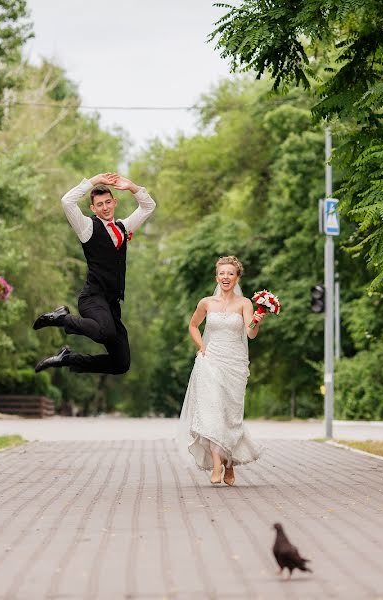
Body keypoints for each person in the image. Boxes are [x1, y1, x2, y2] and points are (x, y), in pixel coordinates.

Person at [33, 173, 155, 374]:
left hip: (112, 304)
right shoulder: (87, 228)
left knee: (121, 363)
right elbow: (67, 201)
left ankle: (68, 359)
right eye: (100, 204)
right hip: (92, 298)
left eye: (108, 202)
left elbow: (148, 206)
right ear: (93, 208)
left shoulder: (123, 227)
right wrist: (95, 180)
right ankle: (60, 318)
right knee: (103, 332)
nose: (105, 207)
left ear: (114, 202)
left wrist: (132, 186)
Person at [176, 256, 264, 485]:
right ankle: (216, 463)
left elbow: (250, 333)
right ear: (217, 277)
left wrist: (258, 319)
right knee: (212, 411)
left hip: (235, 364)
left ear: (237, 278)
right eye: (222, 273)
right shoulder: (206, 303)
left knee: (229, 415)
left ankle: (229, 463)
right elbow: (193, 325)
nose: (226, 277)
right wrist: (202, 347)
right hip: (211, 360)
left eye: (230, 273)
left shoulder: (245, 303)